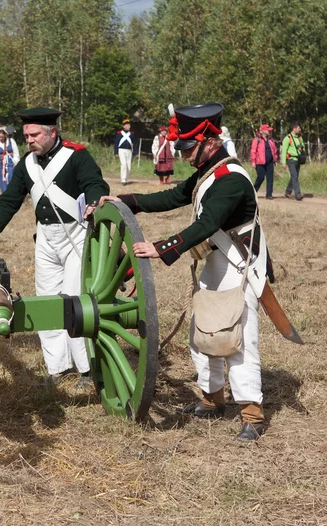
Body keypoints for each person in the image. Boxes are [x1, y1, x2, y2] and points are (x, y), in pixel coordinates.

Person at [97, 103, 269, 441]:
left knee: (238, 339)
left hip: (240, 265)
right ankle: (212, 398)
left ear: (208, 140)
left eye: (189, 147)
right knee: (204, 332)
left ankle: (253, 413)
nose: (185, 153)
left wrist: (161, 247)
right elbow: (175, 195)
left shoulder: (231, 179)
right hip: (216, 263)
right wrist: (128, 201)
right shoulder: (208, 170)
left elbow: (207, 224)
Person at [0, 107, 109, 386]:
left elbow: (94, 183)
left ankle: (86, 369)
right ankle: (57, 368)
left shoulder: (76, 156)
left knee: (76, 301)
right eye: (27, 135)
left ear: (52, 132)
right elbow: (9, 200)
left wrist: (94, 201)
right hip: (46, 238)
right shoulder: (27, 164)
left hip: (77, 235)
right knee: (47, 299)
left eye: (35, 134)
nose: (29, 140)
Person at [250, 124, 278, 200]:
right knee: (260, 177)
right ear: (263, 131)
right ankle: (252, 191)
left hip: (269, 162)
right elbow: (253, 151)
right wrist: (253, 161)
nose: (269, 131)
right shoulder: (257, 140)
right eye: (268, 130)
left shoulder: (271, 140)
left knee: (270, 178)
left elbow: (274, 150)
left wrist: (275, 159)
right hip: (259, 162)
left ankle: (269, 194)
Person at [0, 127, 19, 192]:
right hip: (1, 165)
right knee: (2, 181)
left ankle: (12, 194)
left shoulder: (11, 141)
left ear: (5, 135)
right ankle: (4, 194)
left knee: (11, 179)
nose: (1, 139)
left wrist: (16, 161)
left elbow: (16, 152)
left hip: (11, 164)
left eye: (2, 137)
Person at [281, 122, 305, 200]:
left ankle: (288, 192)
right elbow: (284, 151)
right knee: (294, 176)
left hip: (298, 159)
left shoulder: (300, 138)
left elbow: (303, 147)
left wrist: (302, 148)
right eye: (298, 128)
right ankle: (298, 194)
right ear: (294, 129)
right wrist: (283, 163)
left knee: (295, 176)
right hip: (291, 160)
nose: (300, 129)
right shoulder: (287, 138)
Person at [114, 118, 138, 185]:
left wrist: (136, 152)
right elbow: (116, 143)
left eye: (129, 125)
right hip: (121, 150)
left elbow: (134, 143)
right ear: (124, 126)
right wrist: (116, 152)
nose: (129, 127)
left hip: (129, 151)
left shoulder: (131, 134)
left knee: (128, 166)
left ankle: (126, 178)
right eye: (127, 125)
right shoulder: (119, 134)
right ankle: (123, 179)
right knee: (123, 164)